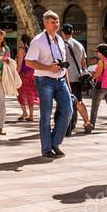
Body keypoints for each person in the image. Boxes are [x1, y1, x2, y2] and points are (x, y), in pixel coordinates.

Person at [26, 12, 73, 157]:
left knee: (68, 110)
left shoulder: (60, 40)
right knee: (46, 115)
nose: (56, 24)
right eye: (53, 22)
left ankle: (55, 142)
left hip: (61, 80)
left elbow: (62, 64)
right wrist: (48, 68)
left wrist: (68, 84)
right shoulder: (38, 40)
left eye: (57, 21)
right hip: (45, 80)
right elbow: (29, 62)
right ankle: (46, 148)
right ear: (45, 24)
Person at [60, 23, 93, 134]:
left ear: (62, 32)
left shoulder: (62, 45)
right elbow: (84, 64)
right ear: (72, 32)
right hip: (78, 78)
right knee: (79, 101)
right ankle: (87, 122)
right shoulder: (80, 45)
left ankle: (67, 126)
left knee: (65, 102)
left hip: (66, 78)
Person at [90, 43, 107, 131]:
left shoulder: (101, 61)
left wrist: (91, 78)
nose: (97, 53)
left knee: (94, 107)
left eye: (98, 51)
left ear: (101, 52)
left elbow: (98, 74)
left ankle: (91, 126)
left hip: (101, 87)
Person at [16, 33, 38, 123]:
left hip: (24, 74)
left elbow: (20, 63)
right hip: (32, 73)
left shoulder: (21, 50)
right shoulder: (33, 49)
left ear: (22, 41)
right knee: (31, 94)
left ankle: (25, 112)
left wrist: (16, 73)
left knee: (20, 93)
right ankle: (31, 115)